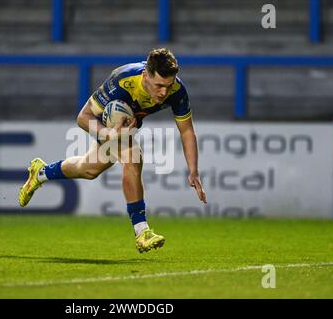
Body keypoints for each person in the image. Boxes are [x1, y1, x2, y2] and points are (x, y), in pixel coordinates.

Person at [18, 48, 207, 253]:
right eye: (159, 86)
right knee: (133, 156)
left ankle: (41, 172)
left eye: (168, 86)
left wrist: (193, 170)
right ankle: (142, 232)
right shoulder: (122, 80)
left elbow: (187, 131)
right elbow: (83, 117)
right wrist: (108, 134)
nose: (163, 92)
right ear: (146, 75)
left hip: (125, 126)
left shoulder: (176, 90)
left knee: (88, 170)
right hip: (105, 123)